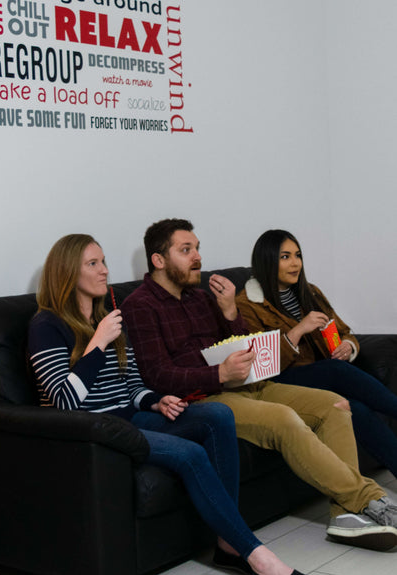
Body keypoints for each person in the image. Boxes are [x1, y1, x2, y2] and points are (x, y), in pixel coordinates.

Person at [28, 233, 328, 575]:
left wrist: (155, 401)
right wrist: (97, 344)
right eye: (93, 264)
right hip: (96, 431)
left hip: (129, 417)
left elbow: (132, 384)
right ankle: (260, 560)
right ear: (66, 272)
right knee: (190, 454)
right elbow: (63, 402)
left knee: (217, 415)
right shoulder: (47, 325)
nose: (105, 270)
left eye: (104, 261)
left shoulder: (108, 316)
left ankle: (227, 544)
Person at [120, 218, 397, 551]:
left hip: (250, 384)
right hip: (205, 398)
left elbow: (244, 343)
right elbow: (157, 375)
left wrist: (229, 312)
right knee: (284, 419)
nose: (197, 257)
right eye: (186, 250)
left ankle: (344, 515)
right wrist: (219, 375)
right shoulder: (139, 306)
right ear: (159, 260)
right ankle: (370, 498)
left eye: (197, 249)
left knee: (335, 405)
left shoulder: (201, 296)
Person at [236, 229, 397, 478]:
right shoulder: (247, 305)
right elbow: (259, 363)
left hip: (321, 375)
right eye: (285, 257)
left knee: (357, 409)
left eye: (297, 255)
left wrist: (348, 345)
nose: (295, 263)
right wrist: (299, 330)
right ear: (267, 260)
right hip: (280, 381)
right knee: (334, 370)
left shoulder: (310, 291)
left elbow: (343, 331)